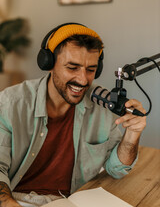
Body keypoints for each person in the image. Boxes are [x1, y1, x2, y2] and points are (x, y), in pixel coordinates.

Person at [0, 23, 146, 207]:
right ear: (49, 64)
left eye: (91, 70)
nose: (83, 79)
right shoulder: (10, 103)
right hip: (16, 198)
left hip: (70, 200)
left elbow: (116, 170)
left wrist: (132, 135)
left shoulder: (103, 106)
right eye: (72, 67)